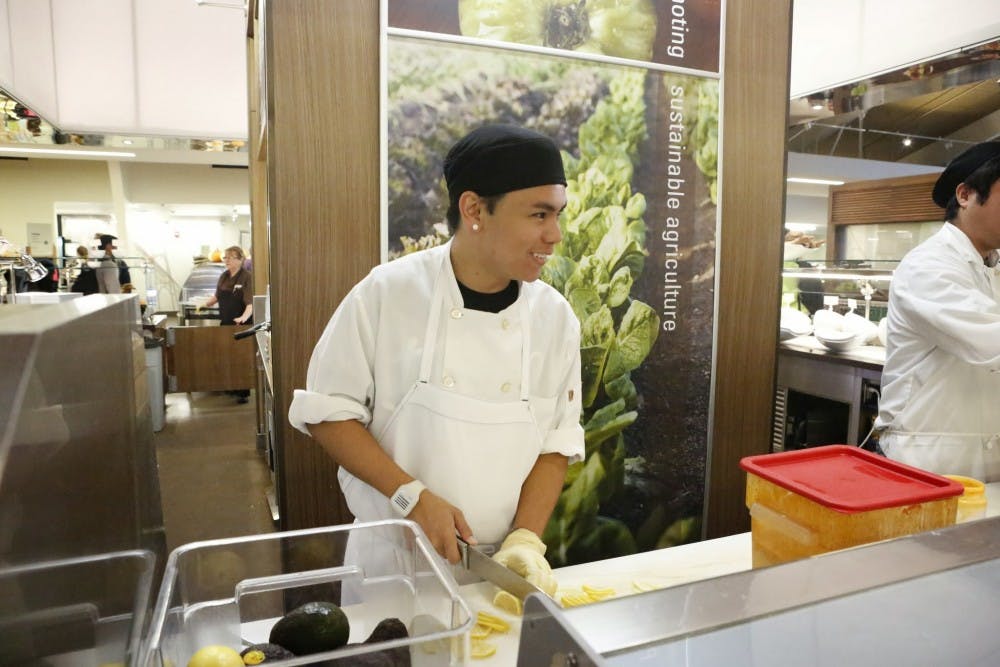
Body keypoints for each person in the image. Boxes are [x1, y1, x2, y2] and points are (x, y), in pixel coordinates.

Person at [288, 124, 584, 594]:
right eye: (538, 215)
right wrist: (413, 497)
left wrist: (525, 540)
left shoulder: (555, 319)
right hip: (395, 566)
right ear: (474, 210)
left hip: (499, 573)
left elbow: (555, 444)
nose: (555, 235)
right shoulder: (387, 294)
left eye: (558, 214)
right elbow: (329, 414)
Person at [875, 141, 1000, 482]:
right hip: (922, 461)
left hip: (984, 465)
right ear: (965, 195)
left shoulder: (993, 267)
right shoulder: (928, 265)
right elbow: (988, 342)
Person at [203, 245, 253, 403]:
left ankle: (242, 392)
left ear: (240, 259)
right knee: (226, 356)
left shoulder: (247, 277)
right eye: (225, 257)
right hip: (225, 322)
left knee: (241, 358)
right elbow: (216, 296)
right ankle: (229, 386)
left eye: (231, 257)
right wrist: (203, 304)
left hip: (241, 324)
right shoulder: (224, 276)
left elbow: (250, 303)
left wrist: (243, 317)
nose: (227, 260)